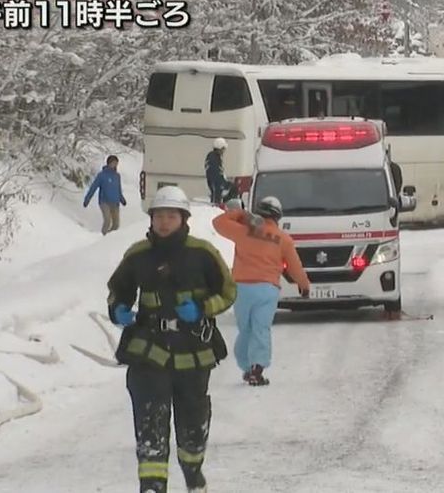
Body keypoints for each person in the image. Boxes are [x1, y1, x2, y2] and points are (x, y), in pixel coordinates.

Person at [106, 185, 237, 493]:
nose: (164, 222)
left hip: (194, 352)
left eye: (171, 216)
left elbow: (229, 292)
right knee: (150, 422)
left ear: (183, 219)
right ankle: (152, 485)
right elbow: (118, 290)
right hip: (148, 351)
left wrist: (203, 309)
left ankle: (193, 473)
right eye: (159, 216)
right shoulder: (138, 255)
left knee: (193, 422)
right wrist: (118, 309)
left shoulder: (203, 253)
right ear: (151, 219)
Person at [212, 197, 311, 386]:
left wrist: (240, 213)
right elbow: (294, 267)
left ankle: (246, 366)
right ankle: (257, 369)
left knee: (245, 329)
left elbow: (218, 223)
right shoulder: (283, 239)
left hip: (242, 288)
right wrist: (304, 285)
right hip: (267, 289)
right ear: (278, 216)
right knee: (261, 328)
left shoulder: (243, 231)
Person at [84, 155, 127, 234]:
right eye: (114, 163)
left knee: (116, 225)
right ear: (109, 163)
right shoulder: (102, 175)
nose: (115, 165)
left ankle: (110, 239)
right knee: (107, 220)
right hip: (104, 202)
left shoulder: (117, 176)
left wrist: (122, 199)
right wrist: (87, 199)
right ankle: (103, 237)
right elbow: (93, 187)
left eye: (116, 163)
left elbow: (118, 189)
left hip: (115, 202)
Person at [204, 138, 234, 205]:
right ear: (220, 148)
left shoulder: (216, 157)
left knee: (233, 187)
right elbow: (214, 173)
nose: (224, 151)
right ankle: (217, 207)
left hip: (218, 182)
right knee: (216, 199)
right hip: (216, 182)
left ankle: (223, 204)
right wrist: (222, 183)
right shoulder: (213, 158)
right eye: (223, 149)